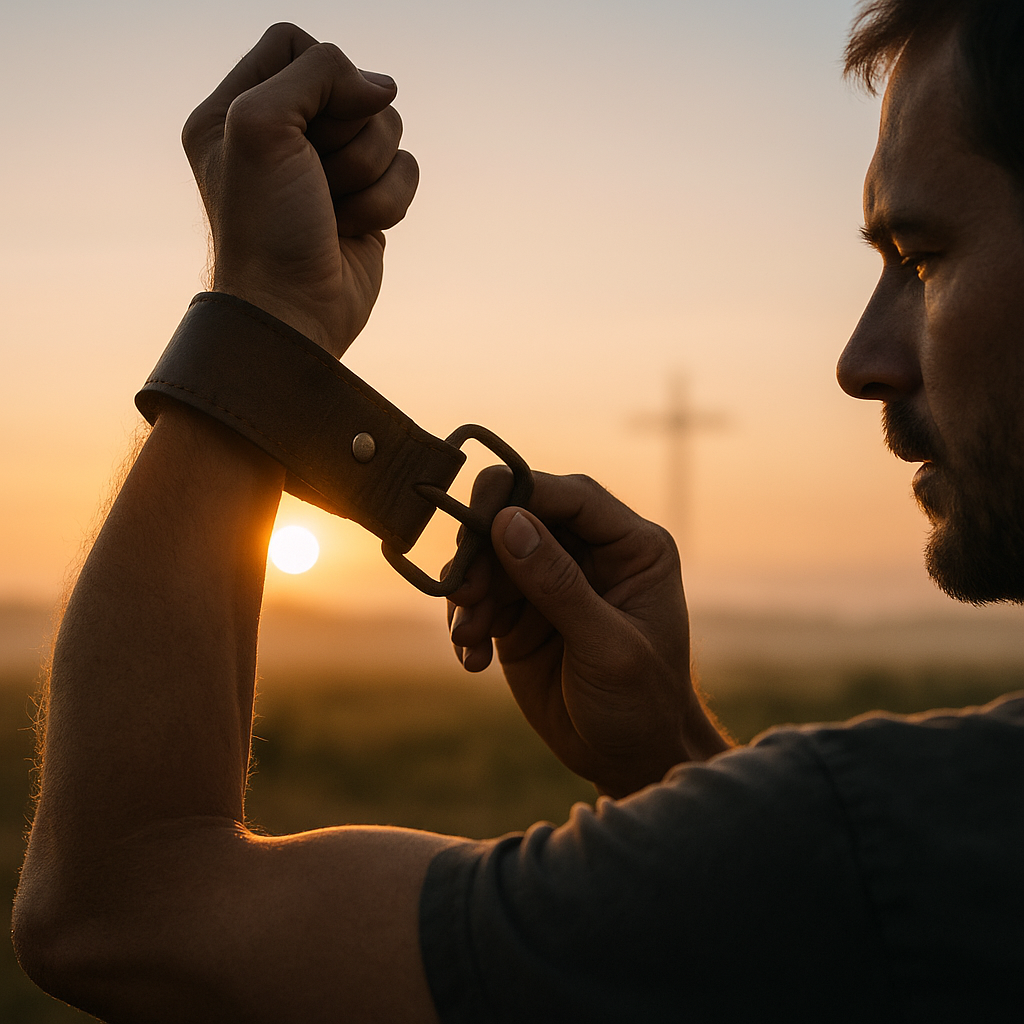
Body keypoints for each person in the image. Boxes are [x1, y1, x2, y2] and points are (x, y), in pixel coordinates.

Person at [11, 2, 1024, 1020]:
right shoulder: (918, 866)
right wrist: (668, 755)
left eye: (924, 257)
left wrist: (267, 312)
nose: (861, 361)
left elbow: (119, 905)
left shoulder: (883, 842)